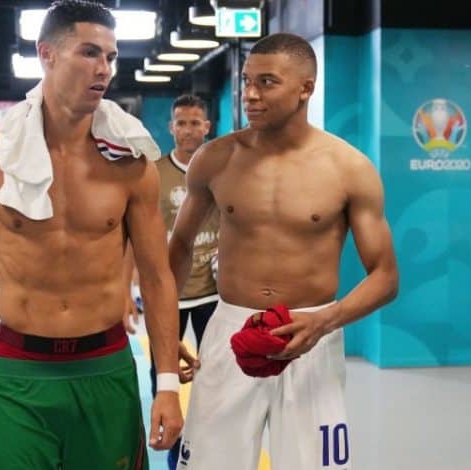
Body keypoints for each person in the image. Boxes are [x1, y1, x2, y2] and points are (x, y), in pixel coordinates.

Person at [0, 2, 183, 469]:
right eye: (89, 52)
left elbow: (157, 277)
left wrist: (168, 385)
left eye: (111, 57)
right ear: (47, 54)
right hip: (20, 374)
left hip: (105, 368)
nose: (104, 69)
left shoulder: (131, 163)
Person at [168, 33, 399, 470]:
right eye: (246, 81)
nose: (250, 94)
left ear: (306, 88)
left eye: (267, 82)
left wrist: (324, 321)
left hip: (313, 333)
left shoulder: (349, 168)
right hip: (230, 330)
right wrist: (165, 334)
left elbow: (386, 275)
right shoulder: (215, 159)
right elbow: (178, 245)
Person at [124, 94, 218, 469]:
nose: (188, 130)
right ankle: (175, 453)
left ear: (207, 127)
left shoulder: (220, 169)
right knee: (163, 376)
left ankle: (208, 449)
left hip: (214, 294)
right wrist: (126, 290)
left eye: (195, 123)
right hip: (167, 294)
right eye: (181, 123)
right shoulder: (153, 173)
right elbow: (132, 234)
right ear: (171, 127)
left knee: (215, 376)